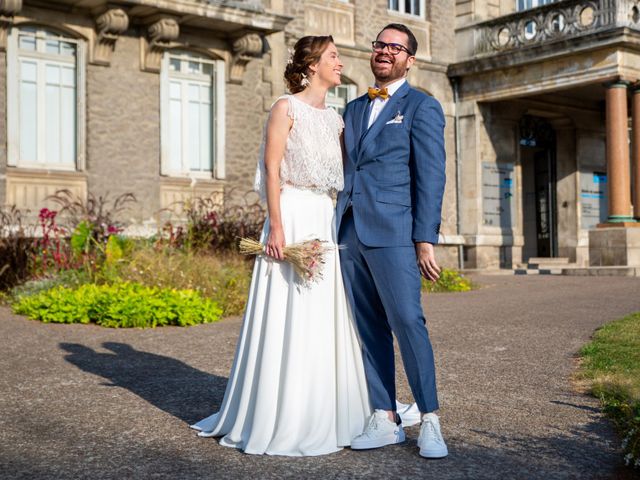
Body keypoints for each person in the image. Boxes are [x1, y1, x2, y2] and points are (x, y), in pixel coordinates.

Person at [189, 36, 371, 456]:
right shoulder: (284, 108)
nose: (340, 63)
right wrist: (276, 229)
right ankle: (280, 413)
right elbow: (271, 169)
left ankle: (326, 409)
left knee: (323, 314)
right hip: (290, 216)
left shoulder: (336, 120)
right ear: (311, 65)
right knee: (288, 310)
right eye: (333, 57)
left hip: (323, 221)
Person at [336, 23, 449, 459]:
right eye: (380, 44)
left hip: (396, 233)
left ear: (409, 59)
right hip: (350, 231)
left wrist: (425, 239)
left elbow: (431, 176)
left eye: (394, 47)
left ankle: (431, 419)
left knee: (407, 321)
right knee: (369, 328)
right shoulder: (352, 108)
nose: (385, 51)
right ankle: (384, 416)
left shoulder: (422, 106)